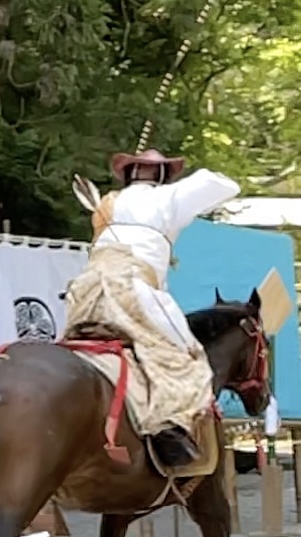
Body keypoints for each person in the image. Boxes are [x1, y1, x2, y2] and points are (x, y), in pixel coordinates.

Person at [65, 149, 241, 466]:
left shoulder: (108, 204)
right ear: (162, 176)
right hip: (133, 292)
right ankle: (167, 430)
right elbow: (224, 184)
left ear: (130, 173)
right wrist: (179, 191)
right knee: (187, 359)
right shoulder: (167, 199)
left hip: (87, 294)